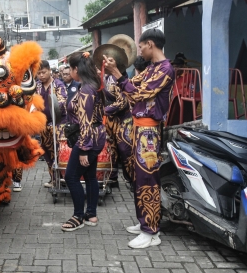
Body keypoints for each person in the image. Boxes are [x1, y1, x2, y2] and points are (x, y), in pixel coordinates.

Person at [104, 28, 175, 249]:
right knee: (138, 177)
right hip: (139, 129)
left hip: (149, 132)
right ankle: (144, 221)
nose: (140, 50)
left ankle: (151, 231)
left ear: (150, 44)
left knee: (148, 180)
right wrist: (117, 71)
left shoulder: (165, 69)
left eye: (141, 46)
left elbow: (137, 94)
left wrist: (116, 73)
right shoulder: (152, 68)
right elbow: (131, 86)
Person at [61, 52, 106, 231]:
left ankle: (78, 215)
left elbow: (85, 121)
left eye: (70, 68)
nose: (69, 71)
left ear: (76, 69)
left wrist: (84, 149)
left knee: (71, 176)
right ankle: (91, 214)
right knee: (89, 176)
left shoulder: (87, 89)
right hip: (95, 137)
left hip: (88, 140)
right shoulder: (91, 86)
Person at [36, 60, 68, 187]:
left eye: (43, 72)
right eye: (38, 73)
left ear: (50, 71)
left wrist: (53, 104)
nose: (41, 75)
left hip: (58, 124)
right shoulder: (37, 86)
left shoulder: (58, 84)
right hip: (43, 125)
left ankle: (63, 178)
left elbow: (62, 102)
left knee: (58, 152)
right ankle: (54, 179)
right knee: (47, 153)